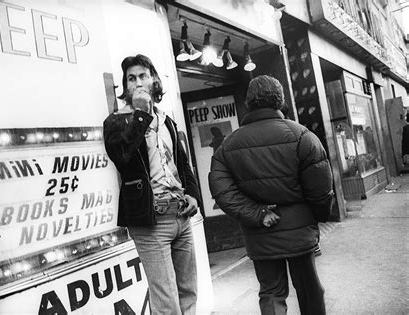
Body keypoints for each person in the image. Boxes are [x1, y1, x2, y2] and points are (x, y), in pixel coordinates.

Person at [209, 75, 334, 315]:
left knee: (272, 293)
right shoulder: (302, 136)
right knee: (310, 290)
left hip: (260, 234)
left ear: (249, 103)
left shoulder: (228, 146)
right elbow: (320, 189)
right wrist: (317, 218)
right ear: (281, 101)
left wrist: (257, 213)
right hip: (299, 232)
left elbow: (222, 191)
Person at [103, 54, 200, 314]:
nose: (138, 82)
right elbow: (122, 157)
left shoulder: (167, 120)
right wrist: (140, 115)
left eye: (143, 76)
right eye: (131, 79)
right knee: (166, 303)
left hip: (180, 214)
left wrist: (192, 193)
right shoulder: (116, 122)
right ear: (126, 87)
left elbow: (182, 163)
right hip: (151, 218)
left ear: (154, 79)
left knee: (188, 293)